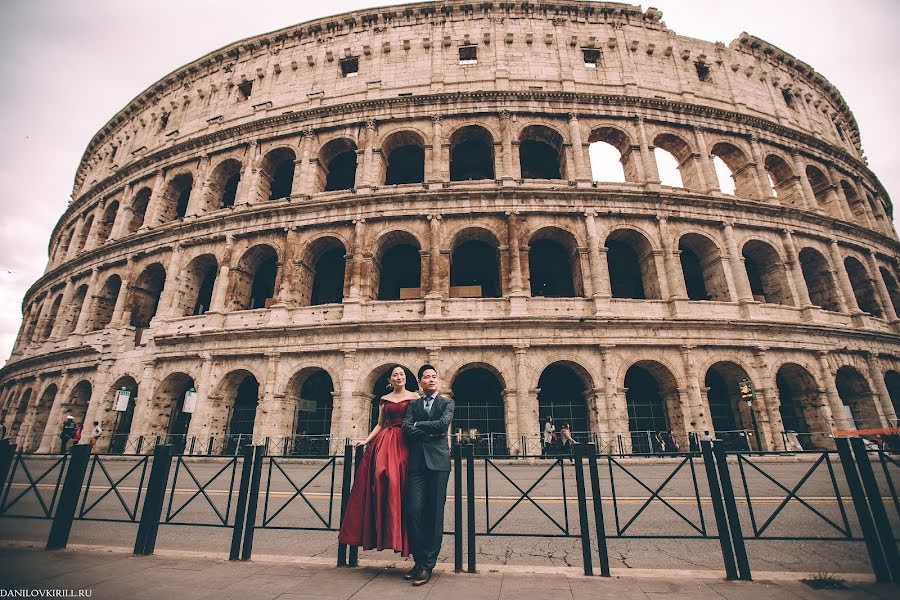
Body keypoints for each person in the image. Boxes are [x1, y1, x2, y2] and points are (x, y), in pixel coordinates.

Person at [338, 366, 419, 556]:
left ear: (406, 379)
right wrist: (366, 440)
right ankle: (386, 529)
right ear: (389, 380)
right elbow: (380, 424)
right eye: (395, 375)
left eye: (402, 375)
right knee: (382, 477)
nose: (399, 377)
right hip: (387, 440)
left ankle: (402, 534)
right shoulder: (384, 399)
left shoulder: (415, 397)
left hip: (406, 440)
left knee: (403, 483)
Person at [402, 364, 455, 586]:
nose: (431, 380)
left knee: (434, 515)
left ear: (438, 381)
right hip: (416, 464)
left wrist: (418, 425)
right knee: (413, 512)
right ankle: (418, 560)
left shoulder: (447, 402)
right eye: (427, 377)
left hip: (438, 464)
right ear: (420, 382)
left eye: (434, 377)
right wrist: (429, 431)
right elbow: (405, 427)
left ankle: (427, 565)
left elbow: (444, 424)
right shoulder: (413, 404)